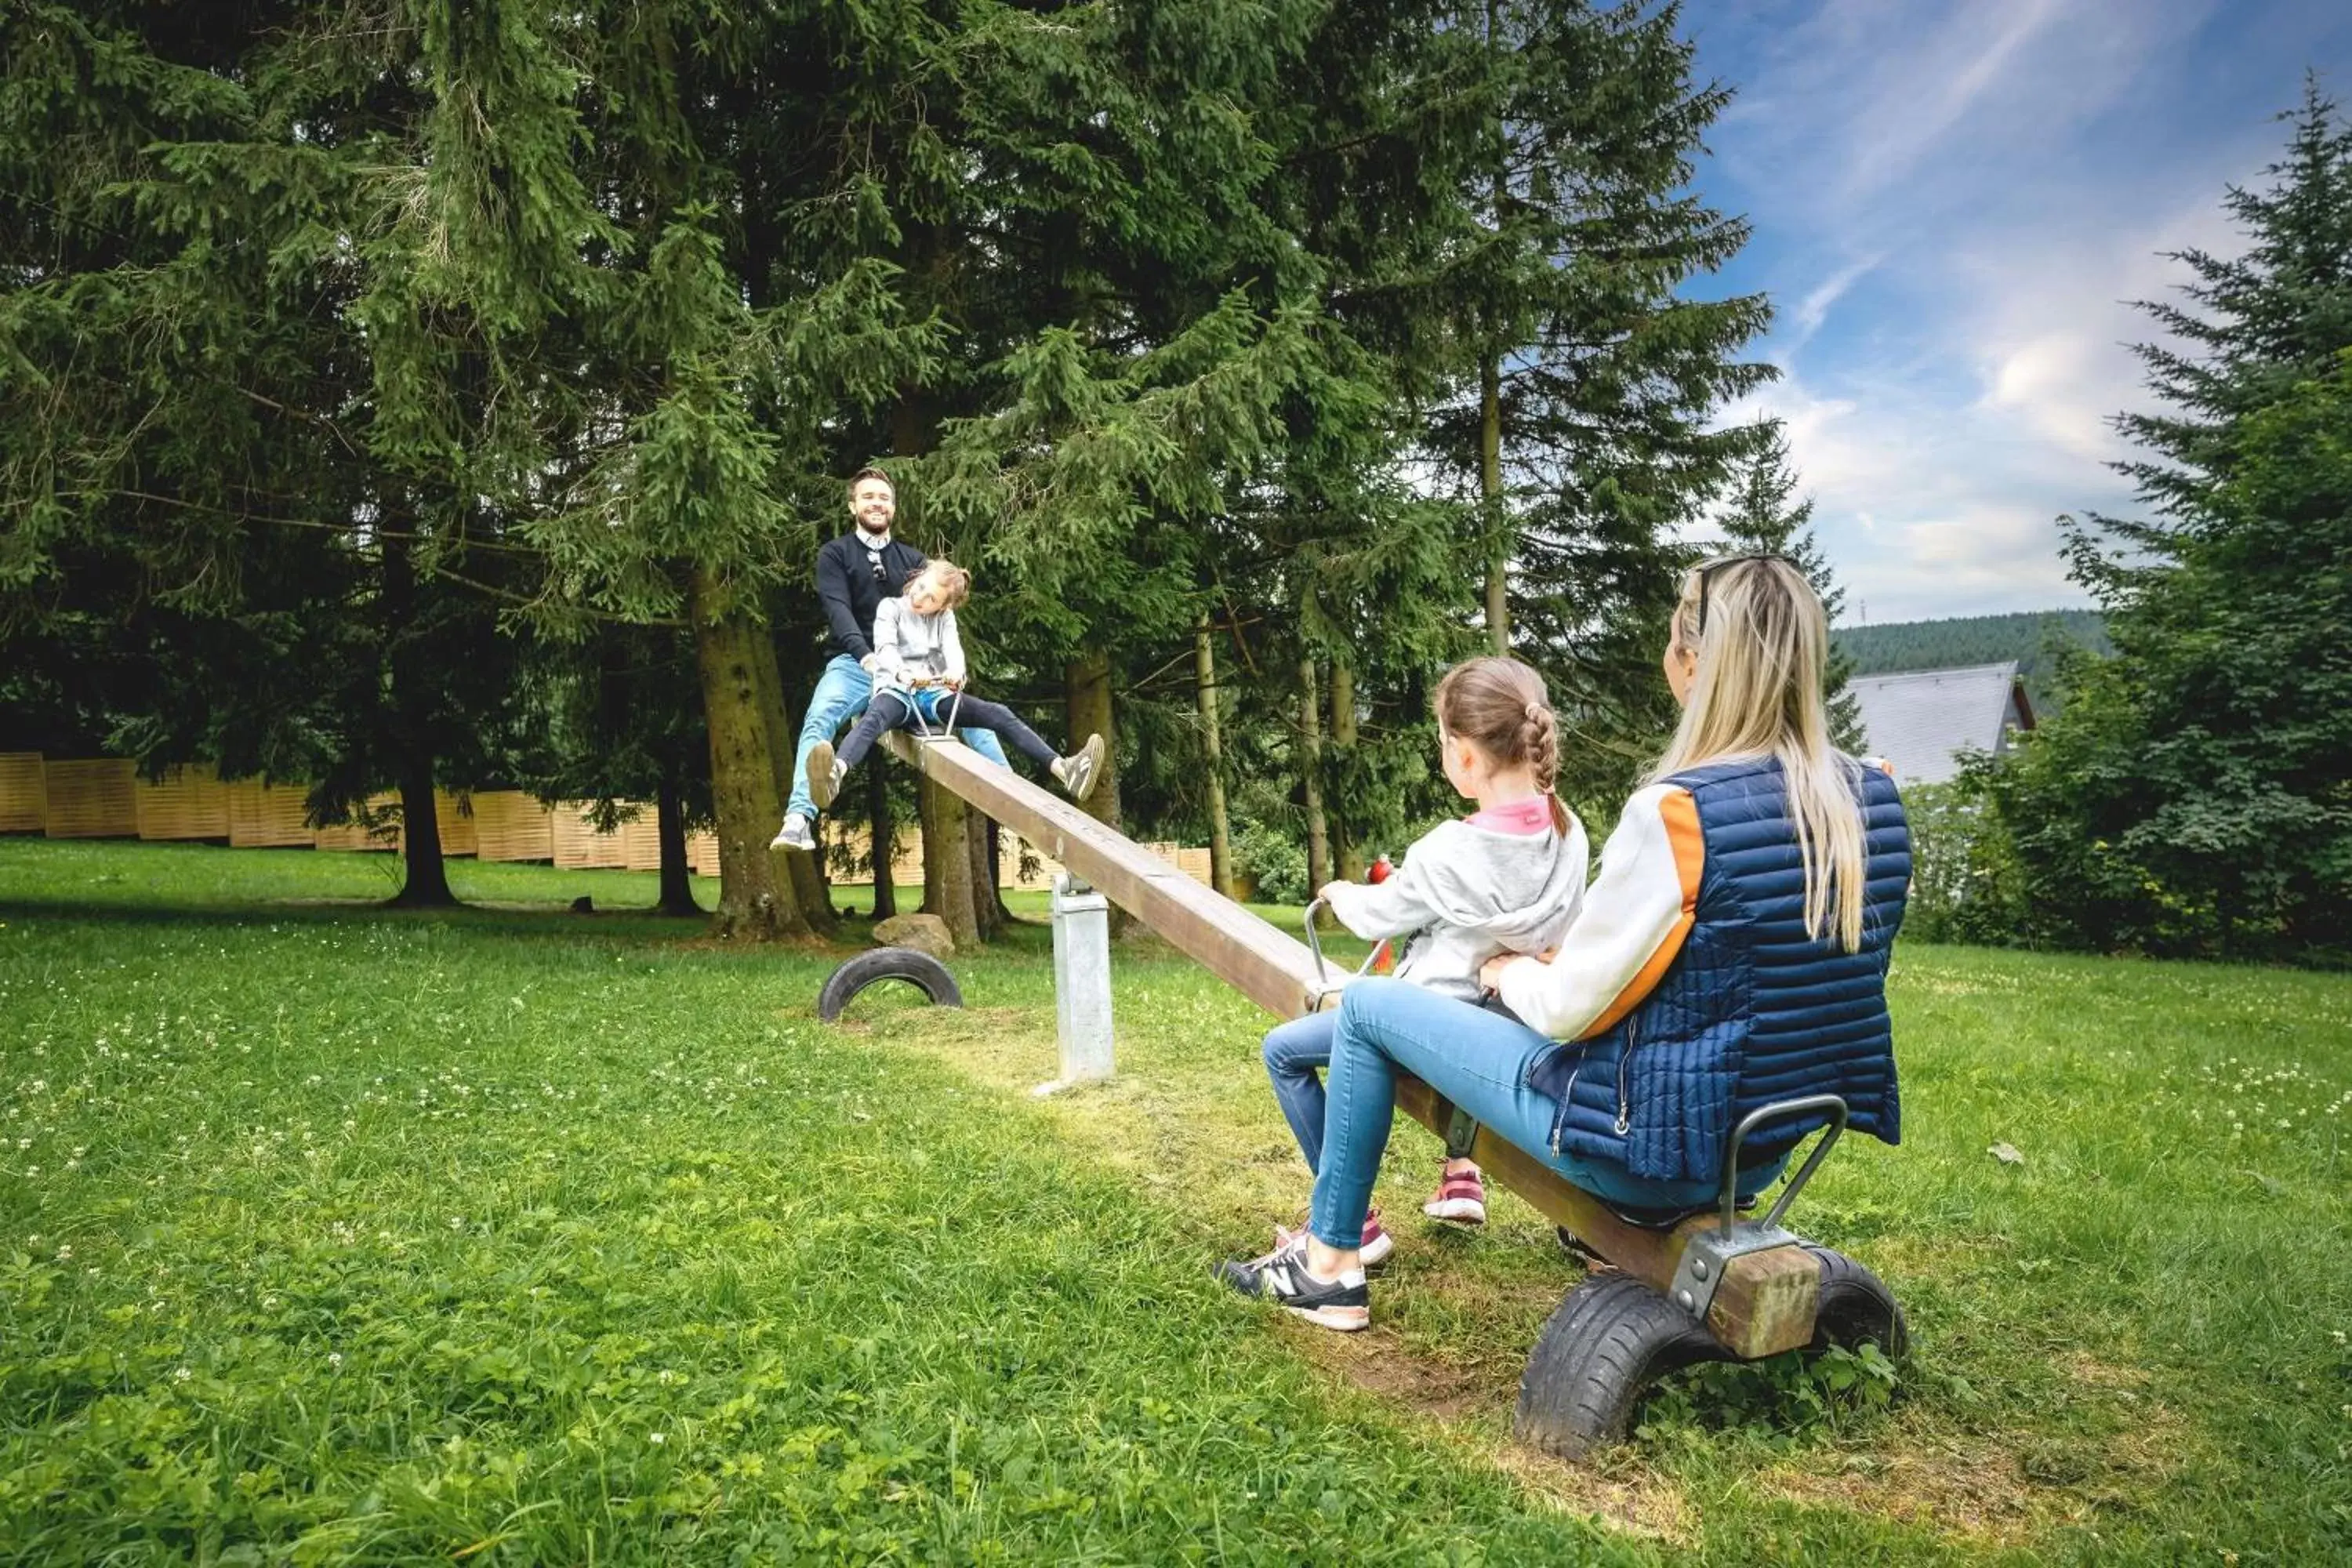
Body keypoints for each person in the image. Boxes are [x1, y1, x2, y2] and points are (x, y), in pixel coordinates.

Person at [1221, 554, 1911, 1331]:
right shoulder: (1875, 797)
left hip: (1645, 1153)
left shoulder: (1679, 813)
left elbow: (1562, 1012)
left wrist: (1506, 968)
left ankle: (1331, 1265)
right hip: (1763, 1147)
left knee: (1372, 1006)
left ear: (1691, 661)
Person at [1256, 656, 1588, 1269]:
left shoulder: (1449, 849)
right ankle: (1456, 1177)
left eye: (1442, 741)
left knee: (1283, 1051)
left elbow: (1383, 913)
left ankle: (1352, 1222)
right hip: (1512, 1028)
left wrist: (1340, 894)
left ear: (1464, 756)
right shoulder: (1569, 832)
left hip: (1427, 1026)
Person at [772, 466, 1011, 852]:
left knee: (972, 713)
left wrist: (948, 671)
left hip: (911, 672)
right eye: (868, 497)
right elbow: (838, 611)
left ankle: (1012, 793)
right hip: (855, 664)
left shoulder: (914, 560)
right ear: (853, 505)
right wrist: (866, 657)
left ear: (893, 509)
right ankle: (798, 820)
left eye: (883, 498)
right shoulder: (835, 554)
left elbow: (936, 616)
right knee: (820, 716)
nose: (876, 504)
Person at [804, 560, 1106, 811]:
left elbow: (954, 652)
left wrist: (956, 674)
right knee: (873, 719)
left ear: (943, 606)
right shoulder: (890, 607)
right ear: (918, 577)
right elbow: (884, 649)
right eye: (921, 587)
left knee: (997, 713)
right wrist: (903, 674)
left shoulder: (945, 618)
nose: (920, 598)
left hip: (931, 697)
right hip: (896, 692)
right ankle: (835, 775)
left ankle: (1064, 770)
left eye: (931, 599)